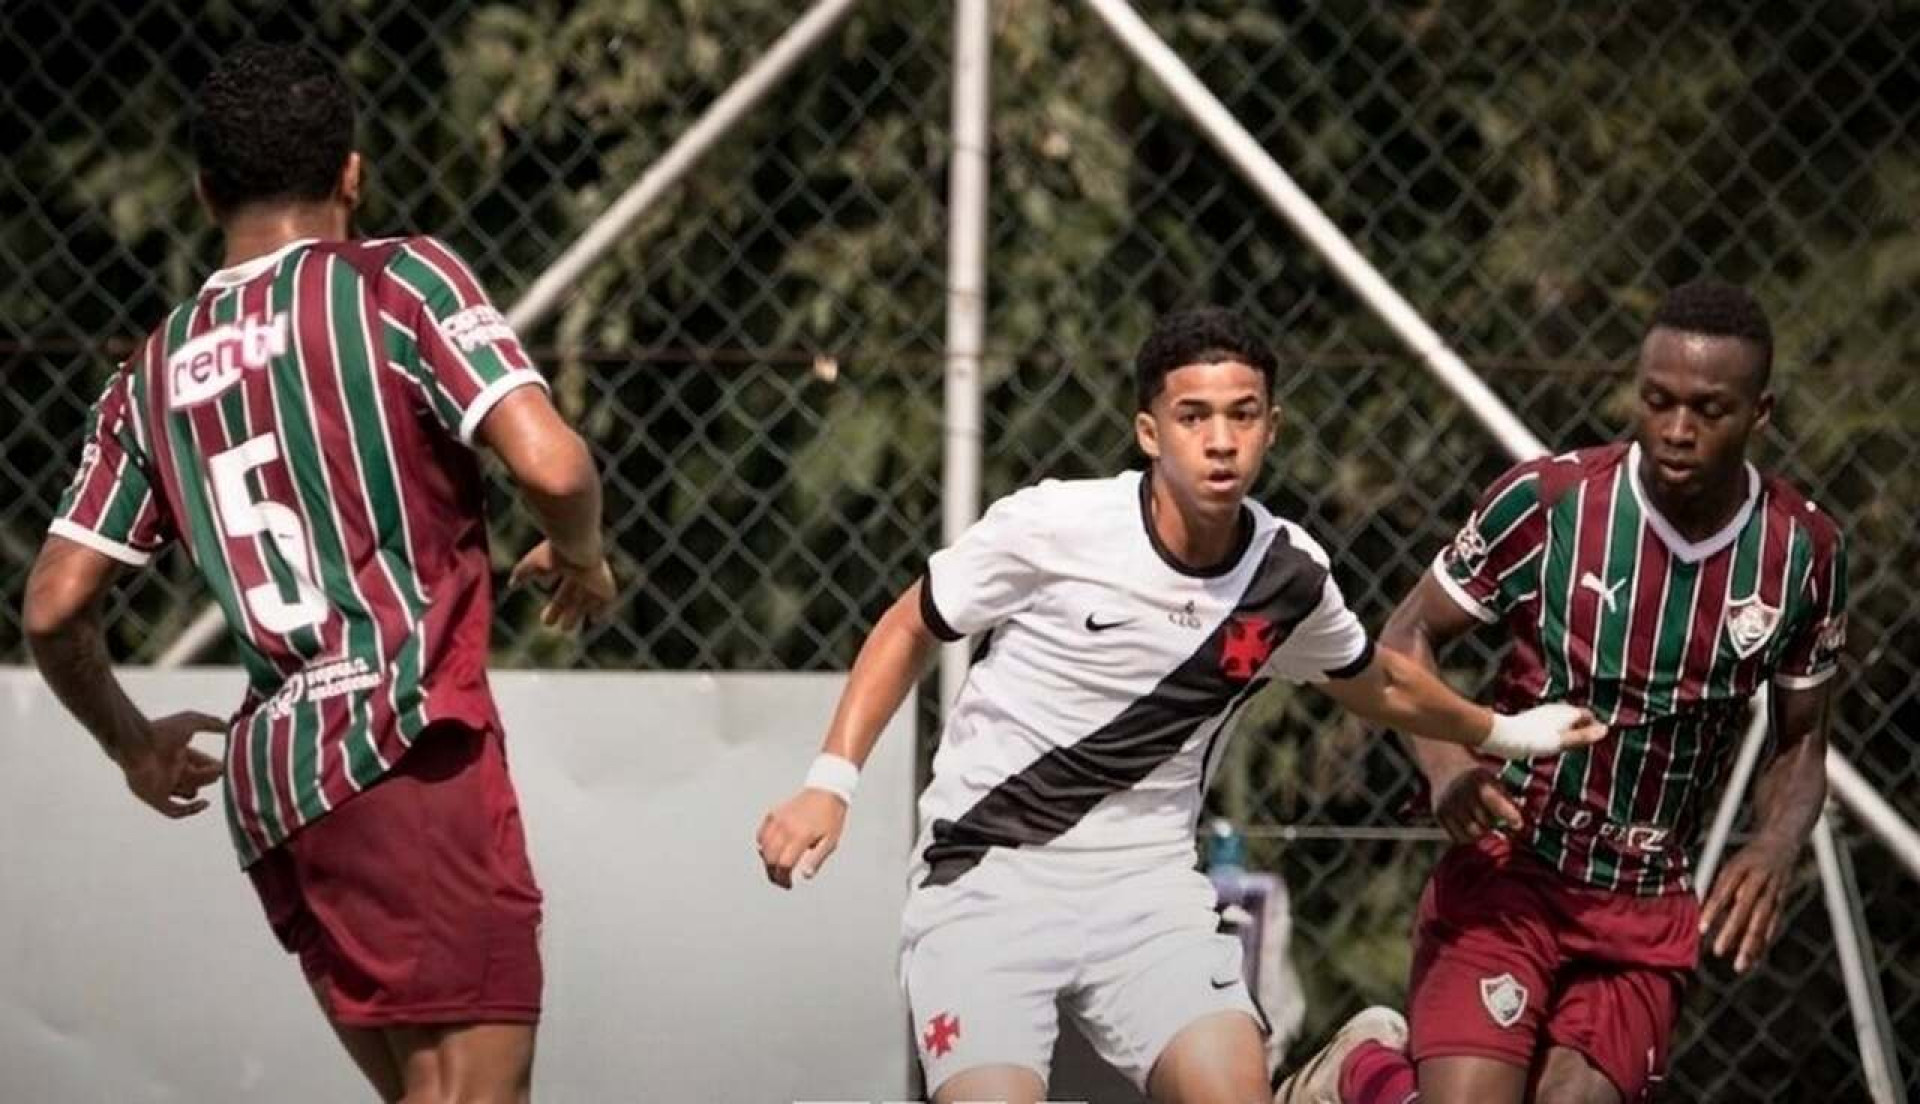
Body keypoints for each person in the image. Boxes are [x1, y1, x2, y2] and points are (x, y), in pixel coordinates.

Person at [755, 306, 1604, 1104]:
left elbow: (1376, 681)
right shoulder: (1055, 526)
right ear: (1149, 433)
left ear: (1272, 427)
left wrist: (1502, 731)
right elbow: (910, 623)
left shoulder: (1287, 576)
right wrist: (831, 780)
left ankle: (1308, 1086)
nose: (1221, 441)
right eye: (1194, 417)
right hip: (984, 880)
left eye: (1243, 415)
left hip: (1147, 891)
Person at [22, 42, 615, 1103]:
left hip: (282, 784)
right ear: (353, 172)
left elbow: (55, 606)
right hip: (404, 740)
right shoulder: (397, 284)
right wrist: (581, 552)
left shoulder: (148, 374)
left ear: (205, 190)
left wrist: (132, 745)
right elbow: (554, 463)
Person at [1274, 282, 1846, 1104]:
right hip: (1514, 865)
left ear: (1760, 413)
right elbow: (1405, 638)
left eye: (1708, 410)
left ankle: (1370, 1080)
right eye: (1657, 401)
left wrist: (1772, 845)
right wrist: (1446, 769)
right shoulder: (1550, 503)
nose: (1676, 430)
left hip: (1644, 901)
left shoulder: (1803, 554)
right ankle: (1361, 1072)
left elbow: (1800, 739)